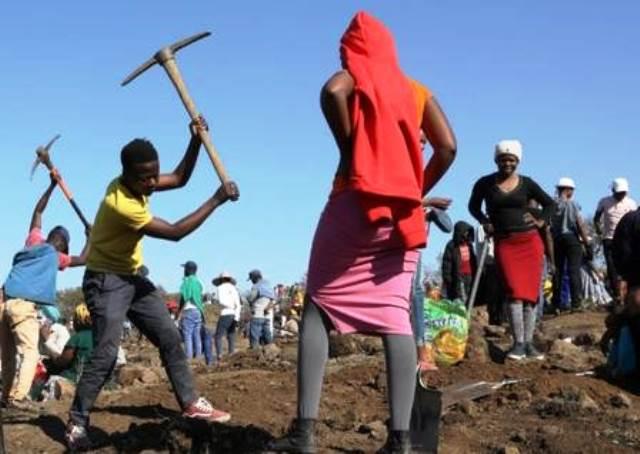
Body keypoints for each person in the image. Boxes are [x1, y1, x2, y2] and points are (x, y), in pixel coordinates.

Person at [270, 11, 456, 453]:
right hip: (402, 213)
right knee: (395, 314)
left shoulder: (356, 76)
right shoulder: (415, 91)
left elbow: (332, 90)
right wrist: (414, 188)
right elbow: (448, 145)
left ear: (354, 48)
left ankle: (306, 434)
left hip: (354, 204)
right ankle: (401, 440)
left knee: (317, 303)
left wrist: (351, 147)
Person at [65, 117, 239, 450]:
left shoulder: (140, 181)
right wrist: (216, 199)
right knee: (105, 352)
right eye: (145, 178)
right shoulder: (121, 203)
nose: (152, 183)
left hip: (131, 277)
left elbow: (181, 178)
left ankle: (190, 403)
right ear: (128, 175)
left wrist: (196, 141)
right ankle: (76, 423)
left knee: (170, 335)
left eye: (153, 176)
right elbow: (174, 233)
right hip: (105, 280)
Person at [0, 175, 89, 411]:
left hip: (3, 301)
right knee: (30, 352)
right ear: (62, 244)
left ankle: (6, 397)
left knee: (7, 356)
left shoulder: (33, 241)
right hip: (23, 307)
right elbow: (85, 258)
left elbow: (38, 211)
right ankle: (18, 398)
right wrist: (90, 238)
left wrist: (50, 186)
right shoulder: (55, 255)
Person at [469, 140, 554, 361]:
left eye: (512, 160)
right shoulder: (485, 183)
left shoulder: (527, 184)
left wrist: (541, 221)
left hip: (530, 242)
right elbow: (473, 206)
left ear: (518, 161)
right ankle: (517, 343)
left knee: (531, 296)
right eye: (503, 159)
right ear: (496, 160)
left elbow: (550, 204)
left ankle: (528, 343)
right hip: (505, 243)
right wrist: (484, 221)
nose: (508, 163)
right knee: (514, 293)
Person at [550, 177, 592, 312]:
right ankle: (576, 303)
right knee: (574, 270)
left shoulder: (553, 204)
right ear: (568, 190)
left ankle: (555, 303)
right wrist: (587, 244)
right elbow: (579, 224)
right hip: (571, 239)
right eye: (572, 190)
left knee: (558, 271)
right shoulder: (573, 204)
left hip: (557, 239)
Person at [594, 178, 637, 302]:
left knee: (628, 266)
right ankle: (617, 295)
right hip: (609, 239)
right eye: (619, 192)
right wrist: (598, 230)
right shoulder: (604, 202)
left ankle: (628, 294)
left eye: (623, 192)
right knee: (611, 267)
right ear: (613, 190)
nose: (621, 195)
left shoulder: (631, 204)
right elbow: (596, 218)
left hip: (626, 240)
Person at [441, 221, 477, 301]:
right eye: (465, 232)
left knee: (470, 295)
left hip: (470, 275)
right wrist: (448, 278)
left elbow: (473, 260)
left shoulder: (469, 245)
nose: (467, 233)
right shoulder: (452, 245)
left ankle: (469, 310)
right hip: (458, 276)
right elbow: (447, 262)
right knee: (460, 296)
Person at [178, 260, 205, 359]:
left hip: (188, 311)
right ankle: (198, 357)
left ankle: (188, 357)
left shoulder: (187, 281)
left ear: (187, 270)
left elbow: (184, 297)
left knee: (187, 335)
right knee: (196, 335)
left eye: (184, 269)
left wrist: (179, 312)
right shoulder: (198, 282)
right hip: (198, 311)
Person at [212, 271, 241, 360]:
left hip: (224, 313)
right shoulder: (234, 288)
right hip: (233, 313)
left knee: (218, 336)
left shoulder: (219, 288)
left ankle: (219, 355)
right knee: (231, 334)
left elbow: (217, 300)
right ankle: (231, 353)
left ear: (221, 279)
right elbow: (238, 304)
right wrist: (237, 318)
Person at [247, 269, 275, 348]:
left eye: (251, 279)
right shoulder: (268, 285)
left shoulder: (256, 286)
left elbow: (251, 298)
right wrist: (267, 308)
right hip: (266, 315)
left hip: (257, 314)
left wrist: (249, 302)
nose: (251, 281)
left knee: (254, 336)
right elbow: (273, 300)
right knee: (267, 335)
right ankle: (271, 349)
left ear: (254, 278)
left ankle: (254, 351)